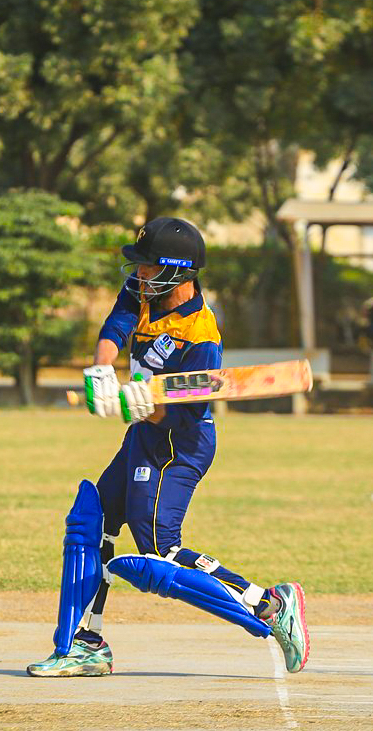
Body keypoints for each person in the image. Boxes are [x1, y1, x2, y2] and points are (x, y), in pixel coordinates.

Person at [27, 216, 310, 677]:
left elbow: (188, 412)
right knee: (93, 520)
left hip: (180, 444)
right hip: (145, 433)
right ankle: (85, 644)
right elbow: (116, 326)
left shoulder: (201, 337)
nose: (139, 274)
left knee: (160, 549)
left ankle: (270, 605)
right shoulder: (144, 292)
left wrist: (145, 407)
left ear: (178, 271)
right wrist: (102, 370)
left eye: (148, 266)